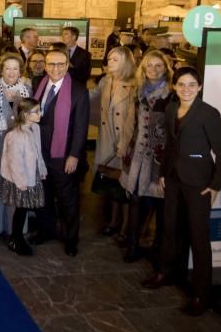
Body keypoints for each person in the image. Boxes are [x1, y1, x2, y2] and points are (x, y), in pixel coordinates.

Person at [143, 66, 221, 317]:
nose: (186, 89)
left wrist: (215, 185)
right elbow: (169, 146)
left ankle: (202, 293)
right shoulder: (170, 110)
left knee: (198, 237)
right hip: (173, 179)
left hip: (199, 183)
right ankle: (165, 272)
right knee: (168, 227)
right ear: (175, 87)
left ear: (199, 87)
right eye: (181, 84)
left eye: (191, 85)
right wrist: (162, 174)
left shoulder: (208, 113)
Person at [31, 47, 89, 256]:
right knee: (42, 195)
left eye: (60, 64)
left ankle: (70, 238)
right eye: (51, 64)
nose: (55, 68)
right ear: (45, 66)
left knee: (67, 199)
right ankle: (46, 230)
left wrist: (74, 155)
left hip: (63, 154)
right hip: (40, 152)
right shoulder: (39, 84)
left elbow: (81, 127)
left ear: (67, 66)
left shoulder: (79, 91)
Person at [121, 51, 173, 264]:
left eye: (158, 66)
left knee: (160, 205)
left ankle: (159, 249)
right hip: (138, 153)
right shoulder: (138, 90)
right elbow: (131, 122)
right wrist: (124, 147)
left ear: (165, 68)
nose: (153, 70)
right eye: (149, 66)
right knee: (135, 200)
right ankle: (132, 245)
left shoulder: (172, 94)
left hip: (159, 157)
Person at [0, 52, 30, 235]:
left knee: (15, 183)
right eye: (7, 68)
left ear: (21, 71)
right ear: (1, 70)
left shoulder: (27, 91)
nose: (11, 72)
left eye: (15, 69)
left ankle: (14, 227)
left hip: (20, 145)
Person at [92, 46, 137, 239]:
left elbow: (132, 119)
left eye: (115, 59)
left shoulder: (135, 85)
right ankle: (113, 221)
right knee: (111, 185)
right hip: (106, 140)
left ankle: (127, 228)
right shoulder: (105, 81)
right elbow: (91, 99)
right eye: (109, 59)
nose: (110, 62)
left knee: (125, 187)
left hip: (123, 144)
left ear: (126, 62)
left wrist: (124, 144)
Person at [0, 98, 47, 256]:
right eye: (36, 111)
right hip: (20, 179)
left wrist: (41, 168)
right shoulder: (16, 135)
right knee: (20, 210)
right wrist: (21, 183)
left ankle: (18, 237)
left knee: (24, 209)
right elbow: (15, 162)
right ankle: (15, 239)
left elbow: (38, 152)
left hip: (32, 174)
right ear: (25, 114)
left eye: (40, 110)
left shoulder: (36, 129)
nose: (40, 113)